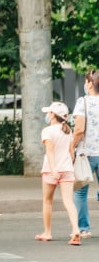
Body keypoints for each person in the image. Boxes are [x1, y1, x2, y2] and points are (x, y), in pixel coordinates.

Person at [38, 102, 81, 245]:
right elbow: (72, 154)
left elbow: (49, 151)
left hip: (51, 170)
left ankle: (47, 232)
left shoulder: (47, 131)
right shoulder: (67, 131)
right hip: (67, 169)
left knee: (47, 201)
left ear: (52, 115)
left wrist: (53, 169)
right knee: (68, 201)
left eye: (48, 112)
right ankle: (76, 229)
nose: (47, 115)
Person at [71, 70, 99, 238]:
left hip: (86, 153)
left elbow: (79, 129)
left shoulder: (83, 102)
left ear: (89, 84)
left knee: (80, 192)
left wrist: (71, 147)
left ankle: (84, 228)